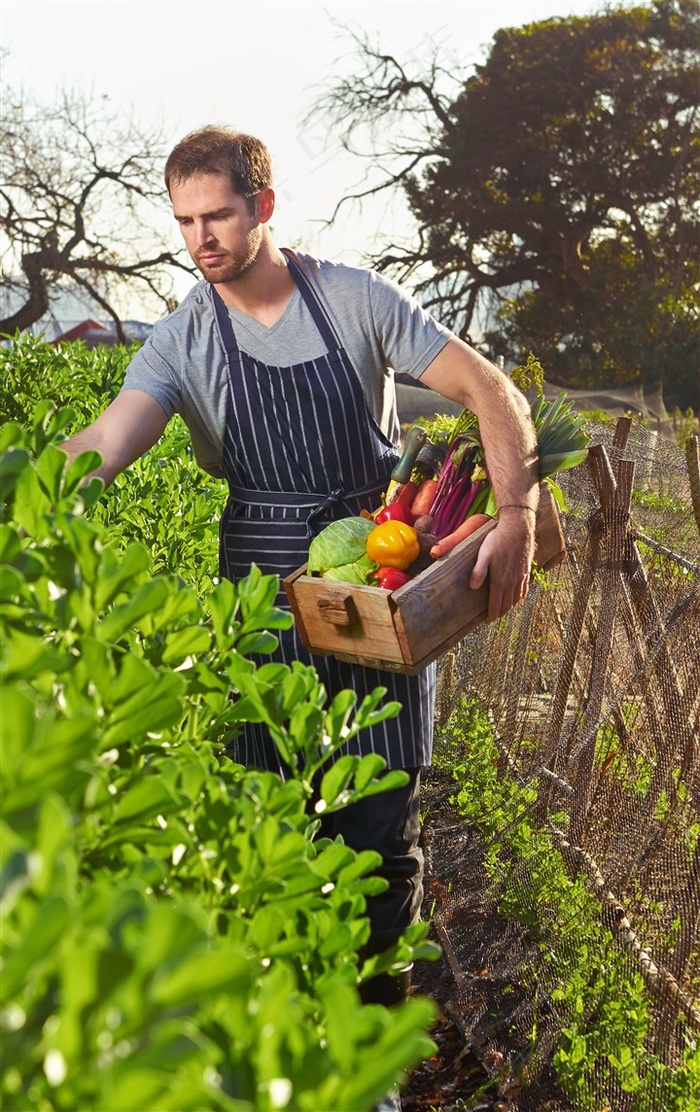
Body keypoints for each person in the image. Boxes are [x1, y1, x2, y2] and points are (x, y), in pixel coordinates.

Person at [61, 127, 539, 1111]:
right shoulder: (183, 336)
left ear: (263, 206)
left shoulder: (354, 299)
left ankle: (369, 1077)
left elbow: (490, 389)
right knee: (273, 836)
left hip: (374, 591)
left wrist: (521, 514)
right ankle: (282, 1062)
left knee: (375, 839)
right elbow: (108, 440)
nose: (200, 238)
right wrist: (30, 492)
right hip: (260, 611)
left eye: (219, 215)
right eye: (185, 221)